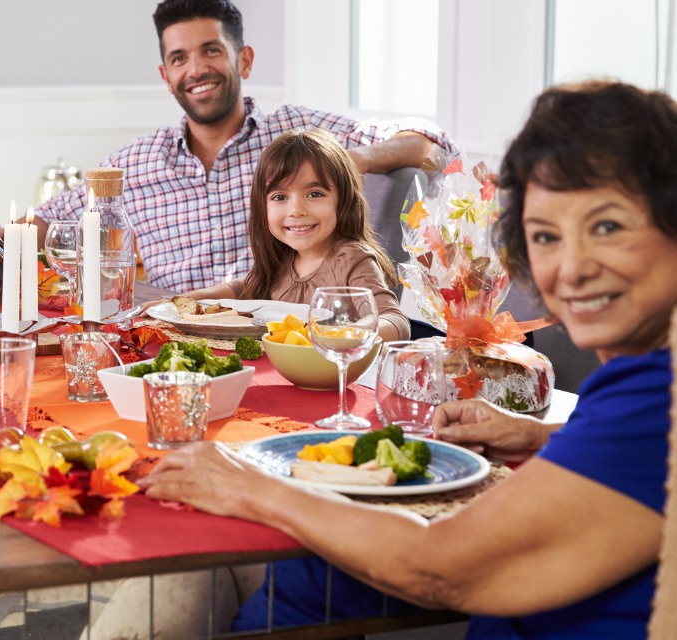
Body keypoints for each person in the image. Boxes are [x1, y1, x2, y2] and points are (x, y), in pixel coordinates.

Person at [141, 79, 677, 638]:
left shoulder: (658, 394)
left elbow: (438, 567)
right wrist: (539, 437)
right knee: (291, 575)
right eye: (546, 237)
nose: (572, 268)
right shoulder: (638, 383)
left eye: (609, 227)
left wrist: (249, 486)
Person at [35, 0, 456, 293]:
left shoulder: (297, 133)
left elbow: (431, 145)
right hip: (177, 343)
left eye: (211, 50)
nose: (196, 69)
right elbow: (45, 220)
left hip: (283, 339)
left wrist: (355, 160)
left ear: (244, 59)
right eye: (179, 58)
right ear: (166, 77)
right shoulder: (136, 162)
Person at [174, 130, 408, 341]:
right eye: (279, 197)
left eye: (314, 193)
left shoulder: (350, 259)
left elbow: (394, 320)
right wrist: (180, 303)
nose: (296, 210)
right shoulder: (282, 258)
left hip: (335, 377)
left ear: (343, 200)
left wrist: (341, 335)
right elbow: (240, 289)